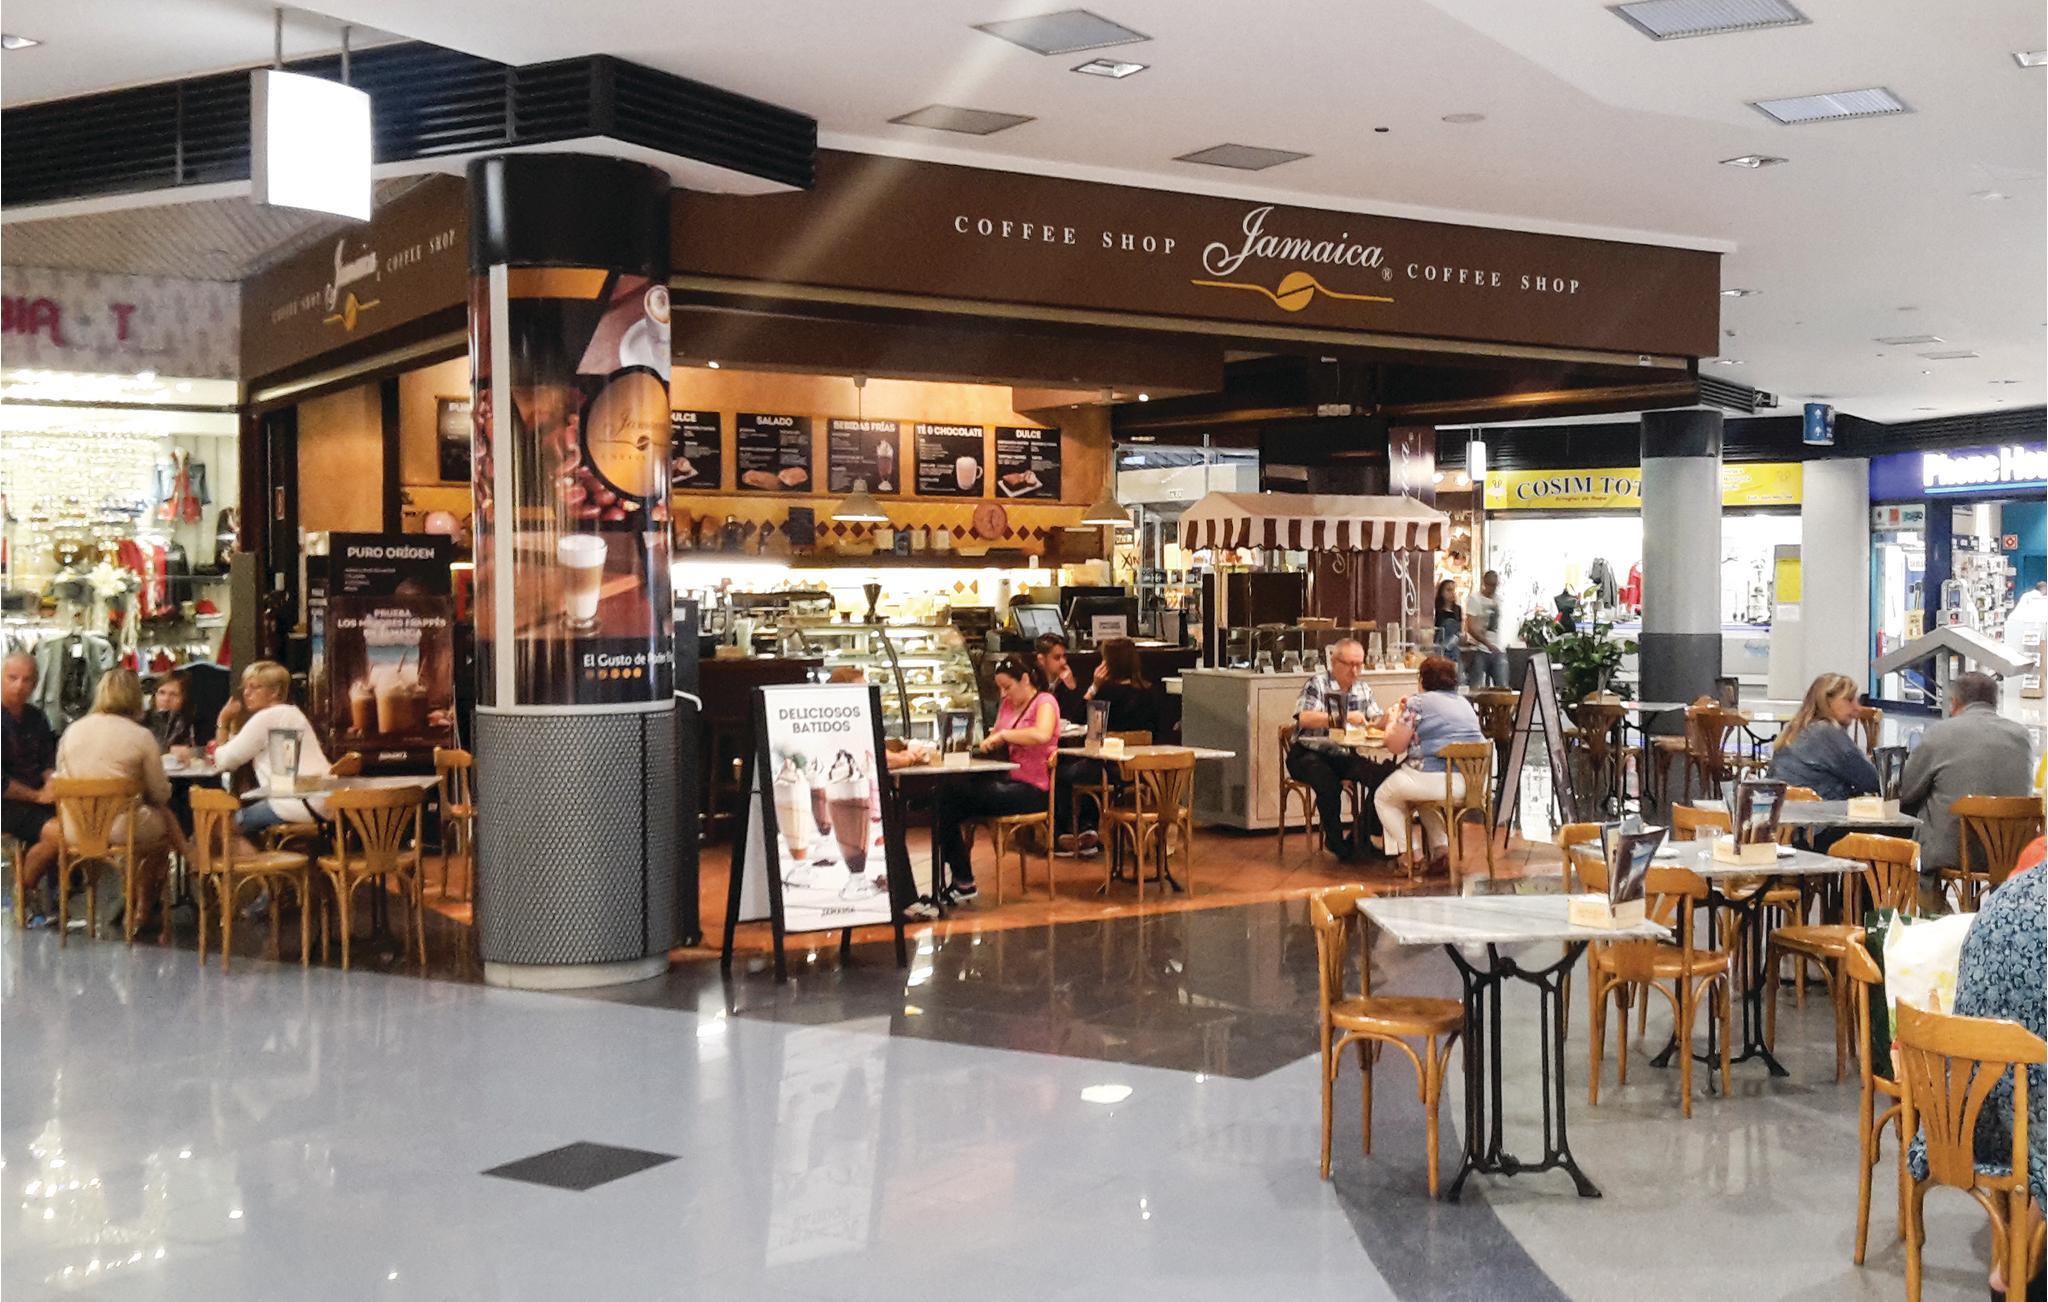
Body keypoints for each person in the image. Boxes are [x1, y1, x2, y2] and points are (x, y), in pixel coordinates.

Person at [1906, 862, 2045, 1300]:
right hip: (2030, 1129)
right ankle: (2026, 1253)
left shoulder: (2003, 898)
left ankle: (2017, 1252)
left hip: (1966, 1119)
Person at [31, 668, 192, 932]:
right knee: (162, 831)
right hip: (120, 828)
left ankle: (112, 904)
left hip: (75, 828)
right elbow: (160, 793)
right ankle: (142, 908)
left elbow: (63, 775)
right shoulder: (140, 736)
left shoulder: (73, 731)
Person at [1898, 672, 2032, 911]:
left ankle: (1938, 917)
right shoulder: (2022, 736)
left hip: (1954, 851)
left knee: (1917, 840)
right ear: (1995, 702)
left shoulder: (1939, 733)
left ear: (1955, 703)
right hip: (2011, 852)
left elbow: (1906, 791)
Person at [930, 654, 1058, 903]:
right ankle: (961, 878)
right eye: (1000, 688)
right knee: (943, 800)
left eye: (1007, 687)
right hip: (1004, 782)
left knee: (947, 800)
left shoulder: (1045, 701)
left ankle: (963, 880)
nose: (1003, 694)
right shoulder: (1008, 705)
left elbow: (1042, 734)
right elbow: (996, 737)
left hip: (1032, 789)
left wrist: (1004, 736)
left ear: (1025, 679)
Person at [1375, 656, 1487, 874]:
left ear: (1422, 679)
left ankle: (1412, 854)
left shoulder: (1417, 703)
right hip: (1472, 783)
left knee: (1384, 798)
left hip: (1435, 779)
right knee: (1424, 801)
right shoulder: (1464, 704)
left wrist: (1394, 718)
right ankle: (1440, 849)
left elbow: (1395, 746)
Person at [1284, 637, 1388, 861]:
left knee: (1384, 778)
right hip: (1308, 752)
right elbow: (1304, 718)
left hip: (1343, 754)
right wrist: (1343, 716)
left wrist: (1389, 719)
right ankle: (1336, 842)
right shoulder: (1317, 683)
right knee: (1328, 782)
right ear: (1334, 662)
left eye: (1359, 664)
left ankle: (1360, 835)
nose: (1355, 670)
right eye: (1349, 664)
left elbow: (1375, 719)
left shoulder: (1363, 688)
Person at [1055, 637, 1158, 854]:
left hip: (1107, 769)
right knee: (1088, 767)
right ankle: (1088, 828)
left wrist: (1093, 687)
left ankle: (1075, 829)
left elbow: (1079, 720)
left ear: (1108, 664)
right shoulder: (1150, 693)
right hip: (1140, 770)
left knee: (1063, 773)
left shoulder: (1105, 693)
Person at [213, 660, 333, 835]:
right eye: (245, 687)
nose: (246, 693)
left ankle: (253, 854)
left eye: (255, 687)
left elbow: (225, 761)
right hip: (321, 801)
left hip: (296, 803)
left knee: (219, 829)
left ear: (275, 691)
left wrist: (222, 722)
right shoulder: (291, 714)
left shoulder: (268, 717)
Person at [3, 652, 60, 912]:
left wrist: (51, 781)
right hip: (8, 804)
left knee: (83, 826)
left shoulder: (36, 717)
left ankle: (36, 890)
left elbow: (48, 759)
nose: (19, 686)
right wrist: (37, 796)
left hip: (38, 799)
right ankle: (25, 890)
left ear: (35, 684)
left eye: (26, 680)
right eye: (12, 678)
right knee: (61, 834)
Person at [1768, 673, 1881, 801]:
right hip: (1818, 810)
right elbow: (1874, 781)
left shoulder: (1796, 730)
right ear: (1827, 701)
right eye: (1849, 700)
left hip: (1784, 808)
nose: (1858, 708)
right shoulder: (1827, 733)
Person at [1463, 570, 1508, 689]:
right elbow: (1470, 626)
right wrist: (1487, 644)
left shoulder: (1499, 600)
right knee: (1476, 686)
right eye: (1490, 585)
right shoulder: (1475, 599)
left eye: (1495, 585)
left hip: (1498, 648)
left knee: (1503, 686)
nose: (1493, 588)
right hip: (1480, 648)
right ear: (1484, 583)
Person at [1033, 632, 1087, 725]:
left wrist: (1072, 688)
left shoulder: (1068, 682)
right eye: (1057, 657)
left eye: (1064, 656)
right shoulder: (1031, 683)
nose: (1063, 662)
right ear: (1041, 659)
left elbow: (1078, 720)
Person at [146, 670, 200, 756]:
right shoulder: (142, 720)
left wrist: (190, 752)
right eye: (162, 693)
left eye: (174, 694)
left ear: (185, 698)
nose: (166, 699)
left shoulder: (193, 724)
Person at [1432, 580, 1463, 661]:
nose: (1452, 593)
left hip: (1453, 646)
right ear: (1441, 592)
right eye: (1449, 590)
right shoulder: (1436, 609)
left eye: (1454, 590)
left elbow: (1460, 628)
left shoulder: (1457, 609)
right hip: (1439, 646)